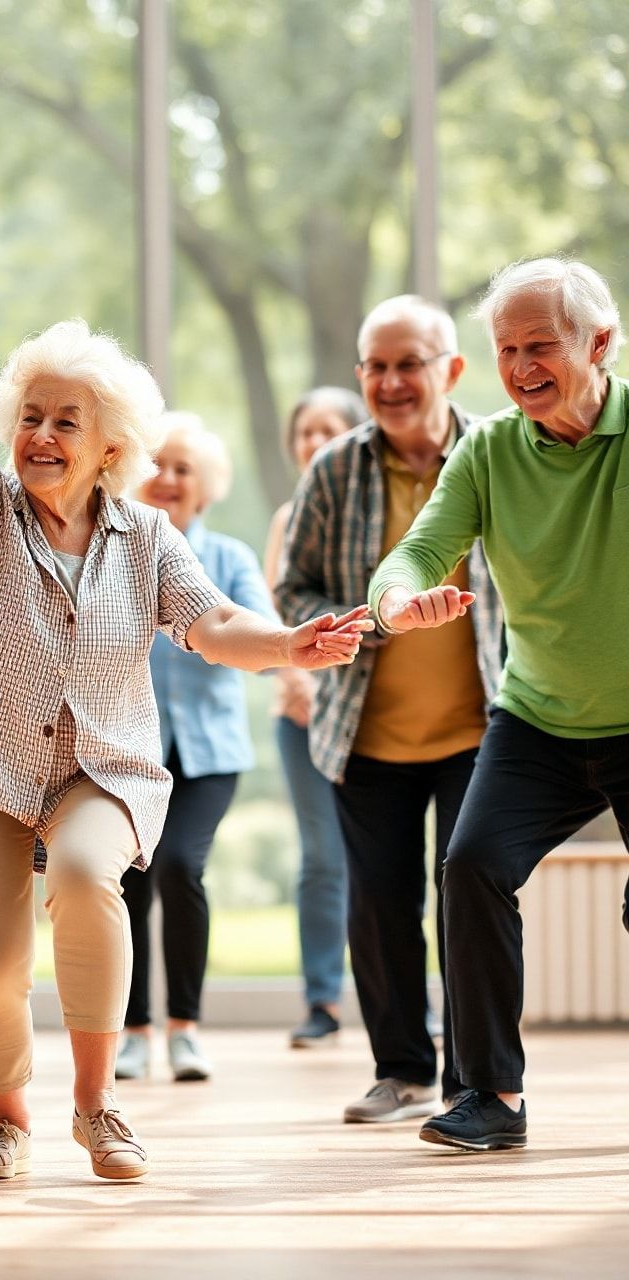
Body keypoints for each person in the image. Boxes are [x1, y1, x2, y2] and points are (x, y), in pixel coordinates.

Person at [0, 242, 370, 1181]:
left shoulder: (148, 534)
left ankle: (98, 1107)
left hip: (102, 762)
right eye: (31, 417)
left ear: (111, 448)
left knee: (89, 878)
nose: (41, 435)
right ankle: (6, 1119)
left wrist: (289, 644)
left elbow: (212, 622)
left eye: (65, 422)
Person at [368, 258, 629, 1152]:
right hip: (540, 716)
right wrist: (399, 601)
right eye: (506, 349)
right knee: (472, 865)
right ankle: (491, 1096)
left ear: (600, 343)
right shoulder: (486, 451)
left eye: (540, 346)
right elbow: (418, 551)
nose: (520, 367)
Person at [277, 296, 504, 1126]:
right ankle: (401, 1069)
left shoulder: (498, 453)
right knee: (378, 907)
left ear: (450, 369)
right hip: (362, 730)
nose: (391, 381)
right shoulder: (334, 468)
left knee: (471, 903)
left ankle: (474, 1080)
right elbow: (290, 587)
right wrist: (365, 622)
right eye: (375, 365)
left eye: (409, 363)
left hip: (485, 727)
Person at [115, 413, 277, 1082]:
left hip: (209, 753)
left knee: (179, 867)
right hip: (128, 748)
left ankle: (183, 1029)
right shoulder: (115, 550)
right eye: (156, 465)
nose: (168, 478)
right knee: (126, 880)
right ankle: (130, 1031)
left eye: (184, 469)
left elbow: (259, 636)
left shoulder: (230, 558)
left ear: (205, 486)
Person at [264, 387, 366, 1048]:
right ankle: (323, 1002)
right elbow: (273, 607)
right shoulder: (286, 518)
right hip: (301, 713)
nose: (313, 440)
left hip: (374, 714)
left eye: (328, 429)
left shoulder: (374, 513)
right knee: (322, 858)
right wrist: (293, 675)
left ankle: (415, 1002)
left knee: (389, 862)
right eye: (304, 430)